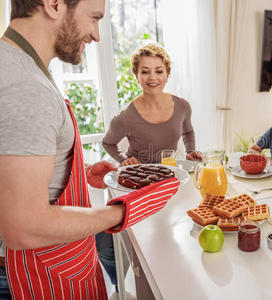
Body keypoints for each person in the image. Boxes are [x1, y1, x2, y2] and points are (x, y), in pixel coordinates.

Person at [0, 1, 179, 299]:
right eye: (94, 18)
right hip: (31, 277)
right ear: (54, 4)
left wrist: (76, 173)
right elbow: (24, 228)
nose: (97, 35)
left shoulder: (17, 66)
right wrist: (122, 211)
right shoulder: (24, 85)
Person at [102, 43, 202, 166]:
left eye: (159, 71)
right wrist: (123, 159)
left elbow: (187, 132)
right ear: (137, 76)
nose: (152, 77)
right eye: (145, 72)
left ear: (167, 75)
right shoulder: (126, 117)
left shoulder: (182, 106)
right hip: (139, 177)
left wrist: (190, 152)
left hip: (170, 173)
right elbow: (107, 143)